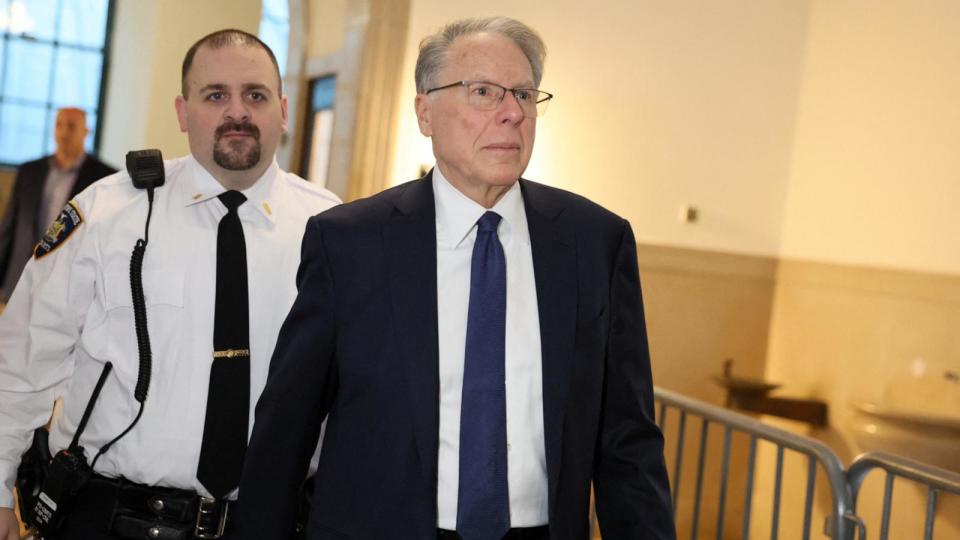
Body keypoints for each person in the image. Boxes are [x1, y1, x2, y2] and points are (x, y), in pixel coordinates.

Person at [237, 16, 675, 540]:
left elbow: (628, 439)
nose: (512, 113)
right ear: (425, 110)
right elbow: (286, 430)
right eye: (484, 92)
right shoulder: (351, 244)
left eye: (524, 94)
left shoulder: (593, 242)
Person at [0, 29, 339, 540]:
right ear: (183, 113)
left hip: (270, 522)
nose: (238, 112)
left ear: (284, 110)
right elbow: (24, 361)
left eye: (256, 95)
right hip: (112, 517)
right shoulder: (109, 211)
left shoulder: (331, 229)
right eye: (215, 95)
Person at [0, 107, 116, 306]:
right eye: (59, 125)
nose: (63, 132)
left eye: (71, 126)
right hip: (20, 280)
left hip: (72, 286)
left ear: (86, 132)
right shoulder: (29, 171)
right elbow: (9, 228)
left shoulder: (105, 177)